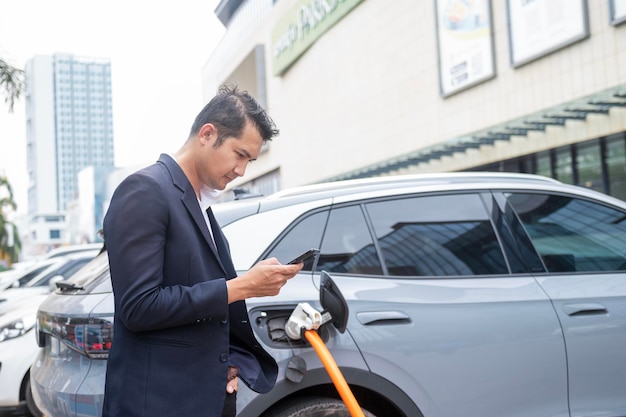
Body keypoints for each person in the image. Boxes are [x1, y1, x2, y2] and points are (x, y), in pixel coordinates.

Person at [101, 84, 303, 417]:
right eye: (240, 155)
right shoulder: (146, 190)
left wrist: (227, 363)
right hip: (158, 403)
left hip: (201, 394)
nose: (242, 171)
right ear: (207, 134)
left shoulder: (200, 204)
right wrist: (241, 287)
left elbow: (197, 305)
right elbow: (139, 307)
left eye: (250, 161)